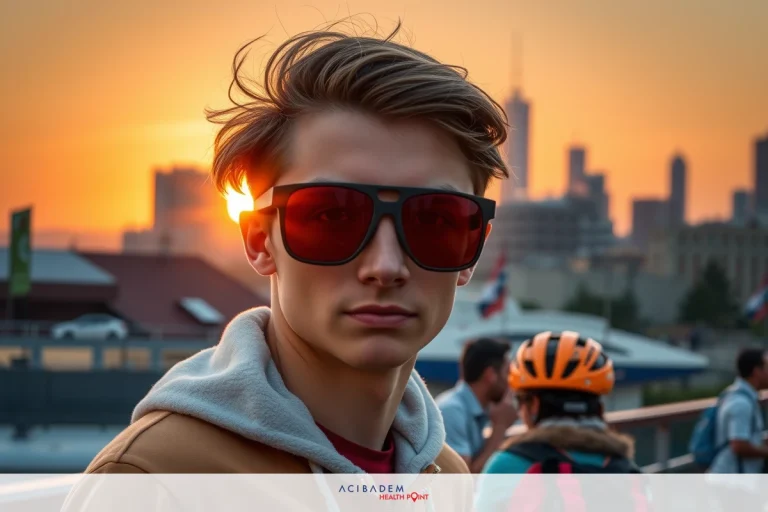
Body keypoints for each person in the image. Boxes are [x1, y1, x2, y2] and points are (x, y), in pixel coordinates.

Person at [82, 20, 509, 477]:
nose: (385, 267)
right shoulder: (155, 478)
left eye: (435, 220)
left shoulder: (444, 476)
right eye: (332, 216)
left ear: (473, 248)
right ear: (259, 240)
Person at [475, 331, 642, 510]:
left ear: (534, 406)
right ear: (599, 408)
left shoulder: (508, 465)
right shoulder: (629, 472)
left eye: (520, 400)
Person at [436, 338, 518, 473]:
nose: (510, 383)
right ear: (490, 375)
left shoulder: (473, 408)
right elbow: (465, 476)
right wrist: (500, 427)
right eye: (507, 373)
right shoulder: (452, 411)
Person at [708, 348, 768, 474]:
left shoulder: (737, 395)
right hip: (732, 481)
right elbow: (739, 445)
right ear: (757, 372)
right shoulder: (741, 403)